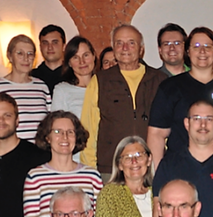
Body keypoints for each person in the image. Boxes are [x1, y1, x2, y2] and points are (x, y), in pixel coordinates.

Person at [148, 27, 213, 167]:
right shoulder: (170, 87)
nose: (202, 51)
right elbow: (156, 134)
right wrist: (157, 173)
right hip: (180, 168)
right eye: (196, 46)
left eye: (208, 46)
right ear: (188, 51)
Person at [80, 25, 165, 176]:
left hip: (151, 168)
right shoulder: (100, 80)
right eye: (119, 43)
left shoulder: (159, 80)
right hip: (111, 169)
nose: (125, 48)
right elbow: (89, 128)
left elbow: (168, 127)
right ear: (113, 48)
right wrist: (90, 169)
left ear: (141, 49)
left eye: (131, 43)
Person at [23, 111, 102, 217]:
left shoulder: (92, 176)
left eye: (70, 132)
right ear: (48, 138)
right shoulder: (35, 177)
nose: (64, 137)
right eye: (57, 132)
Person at [95, 136, 153, 217]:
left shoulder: (159, 193)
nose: (134, 161)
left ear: (148, 160)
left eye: (139, 155)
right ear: (120, 165)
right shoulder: (109, 194)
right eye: (127, 158)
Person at [0, 34, 50, 142]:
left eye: (30, 54)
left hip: (40, 150)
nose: (26, 58)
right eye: (20, 53)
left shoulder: (42, 87)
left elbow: (49, 124)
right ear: (10, 56)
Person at [50, 36, 97, 164]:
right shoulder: (62, 90)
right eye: (76, 57)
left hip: (103, 159)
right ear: (69, 63)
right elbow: (57, 128)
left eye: (86, 55)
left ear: (93, 56)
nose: (82, 61)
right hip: (74, 160)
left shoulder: (105, 87)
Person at [32, 25, 66, 95]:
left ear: (64, 46)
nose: (50, 47)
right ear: (40, 47)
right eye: (45, 43)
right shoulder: (31, 77)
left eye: (55, 42)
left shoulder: (73, 76)